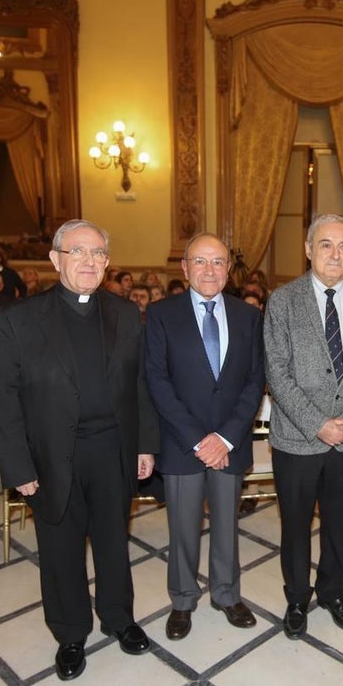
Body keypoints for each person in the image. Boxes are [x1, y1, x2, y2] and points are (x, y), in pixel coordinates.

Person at [0, 220, 159, 681]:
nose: (90, 261)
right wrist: (18, 465)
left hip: (112, 449)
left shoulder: (126, 313)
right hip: (50, 454)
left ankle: (119, 618)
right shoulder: (20, 319)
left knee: (112, 542)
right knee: (61, 547)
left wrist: (145, 444)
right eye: (78, 252)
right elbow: (2, 400)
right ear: (55, 258)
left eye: (99, 253)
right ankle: (69, 632)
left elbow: (139, 385)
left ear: (107, 261)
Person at [263, 213, 343, 639]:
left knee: (339, 522)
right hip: (297, 439)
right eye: (326, 245)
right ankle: (297, 597)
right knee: (295, 524)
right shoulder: (282, 300)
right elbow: (276, 372)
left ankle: (333, 592)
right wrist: (319, 424)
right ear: (308, 249)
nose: (336, 254)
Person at [145, 233, 265, 641]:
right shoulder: (161, 315)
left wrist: (226, 438)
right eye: (200, 261)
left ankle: (227, 594)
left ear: (228, 270)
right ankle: (182, 600)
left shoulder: (248, 316)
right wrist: (199, 440)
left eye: (217, 262)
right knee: (182, 525)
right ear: (184, 267)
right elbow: (157, 382)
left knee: (228, 523)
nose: (210, 270)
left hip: (230, 443)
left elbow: (254, 381)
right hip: (183, 443)